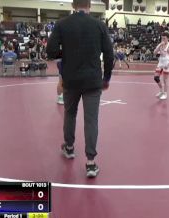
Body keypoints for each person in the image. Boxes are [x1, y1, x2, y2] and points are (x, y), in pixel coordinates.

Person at [46, 0, 114, 178]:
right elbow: (109, 54)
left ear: (73, 6)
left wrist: (66, 54)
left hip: (71, 80)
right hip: (93, 81)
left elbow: (51, 51)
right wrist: (106, 78)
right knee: (91, 121)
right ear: (90, 7)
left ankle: (69, 148)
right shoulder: (99, 25)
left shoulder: (62, 24)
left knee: (70, 114)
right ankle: (91, 163)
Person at [153, 32, 169, 100]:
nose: (163, 39)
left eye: (164, 38)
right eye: (162, 38)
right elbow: (154, 53)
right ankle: (161, 91)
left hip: (166, 64)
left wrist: (168, 64)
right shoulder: (160, 44)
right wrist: (159, 45)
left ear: (167, 38)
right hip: (160, 63)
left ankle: (165, 94)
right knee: (156, 78)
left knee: (165, 80)